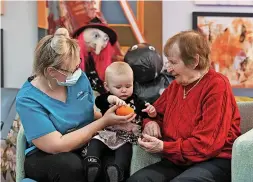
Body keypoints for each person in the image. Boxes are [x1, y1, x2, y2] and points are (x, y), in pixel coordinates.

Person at [16, 28, 136, 182]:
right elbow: (57, 146)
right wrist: (104, 122)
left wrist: (119, 117)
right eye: (72, 69)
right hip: (47, 155)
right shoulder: (28, 99)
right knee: (71, 165)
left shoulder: (79, 79)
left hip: (86, 143)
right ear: (51, 71)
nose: (77, 72)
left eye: (78, 64)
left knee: (111, 165)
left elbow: (89, 112)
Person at [127, 30, 241, 182]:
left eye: (173, 62)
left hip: (214, 161)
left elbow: (208, 144)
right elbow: (154, 113)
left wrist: (164, 147)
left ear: (194, 61)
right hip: (178, 160)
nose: (168, 69)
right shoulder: (176, 85)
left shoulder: (217, 85)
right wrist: (151, 122)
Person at [84, 62, 157, 182]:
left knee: (125, 152)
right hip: (108, 132)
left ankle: (117, 170)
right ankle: (92, 163)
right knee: (95, 142)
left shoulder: (135, 100)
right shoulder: (107, 98)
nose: (124, 90)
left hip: (126, 137)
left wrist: (151, 111)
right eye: (118, 87)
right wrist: (110, 98)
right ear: (107, 87)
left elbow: (145, 112)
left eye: (128, 86)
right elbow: (98, 102)